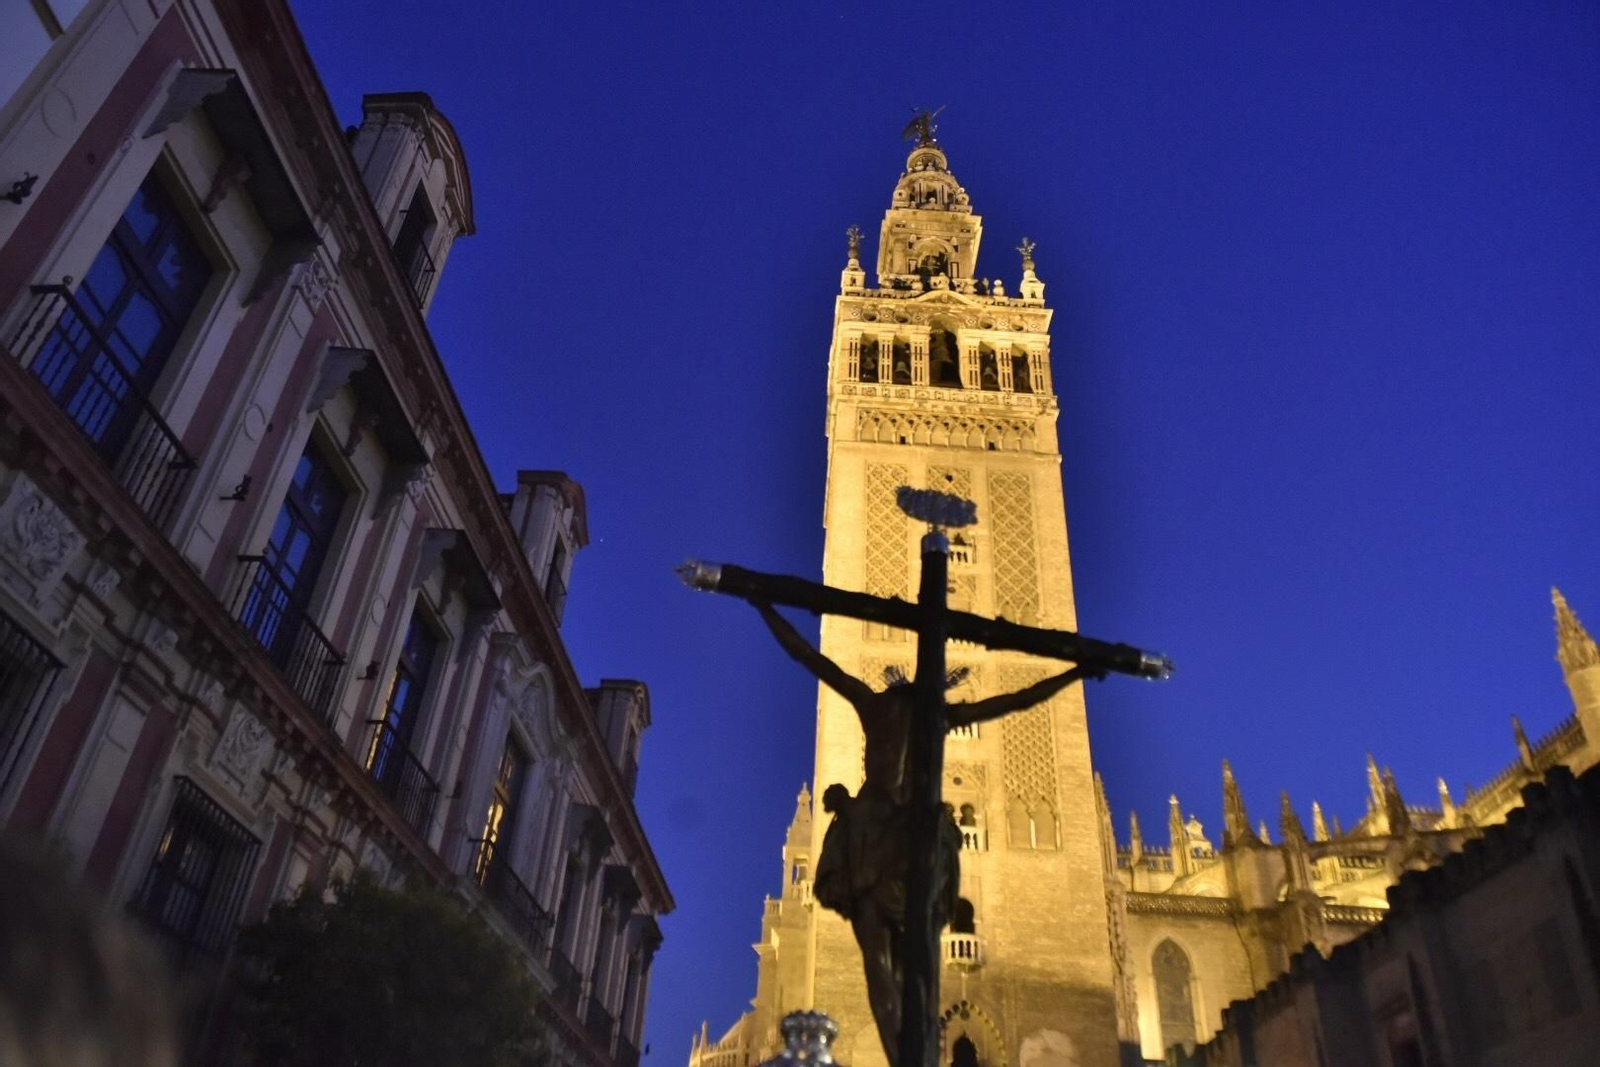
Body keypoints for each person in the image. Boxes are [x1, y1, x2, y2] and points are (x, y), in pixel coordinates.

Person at [750, 600, 1097, 1064]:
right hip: (910, 835)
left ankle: (905, 1056)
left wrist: (761, 604)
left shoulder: (877, 703)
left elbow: (806, 655)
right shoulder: (936, 715)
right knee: (915, 969)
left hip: (874, 835)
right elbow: (1019, 699)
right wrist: (1075, 672)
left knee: (883, 968)